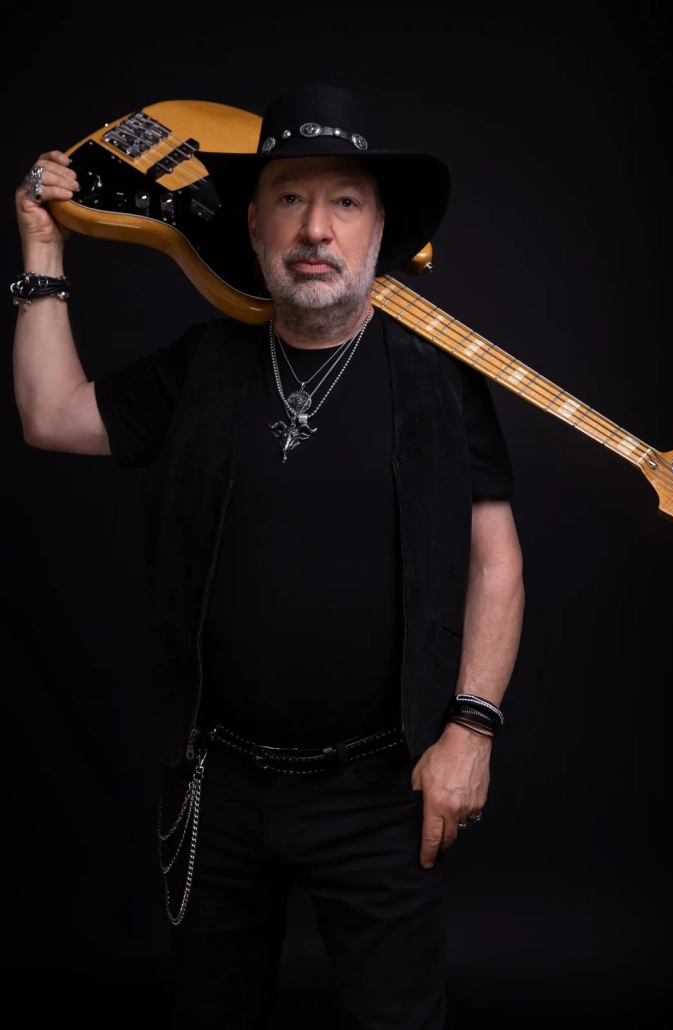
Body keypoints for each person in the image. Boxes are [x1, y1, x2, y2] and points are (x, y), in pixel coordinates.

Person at [13, 85, 525, 1029]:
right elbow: (51, 417)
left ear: (379, 231)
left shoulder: (440, 381)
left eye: (344, 202)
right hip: (217, 781)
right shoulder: (201, 364)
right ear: (252, 229)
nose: (314, 228)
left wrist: (473, 730)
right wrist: (44, 252)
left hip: (383, 789)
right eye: (289, 198)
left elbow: (495, 561)